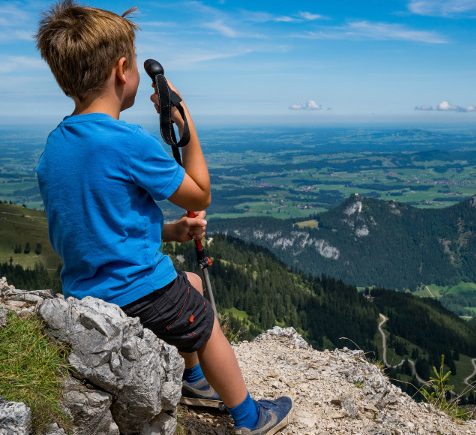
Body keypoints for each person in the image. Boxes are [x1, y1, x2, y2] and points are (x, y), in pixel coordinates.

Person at [35, 1, 293, 433]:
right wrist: (185, 122)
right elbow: (199, 190)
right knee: (205, 322)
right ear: (122, 70)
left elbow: (99, 226)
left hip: (86, 293)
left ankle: (193, 381)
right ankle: (249, 416)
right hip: (137, 290)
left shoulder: (56, 146)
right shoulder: (127, 141)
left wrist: (172, 231)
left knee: (189, 284)